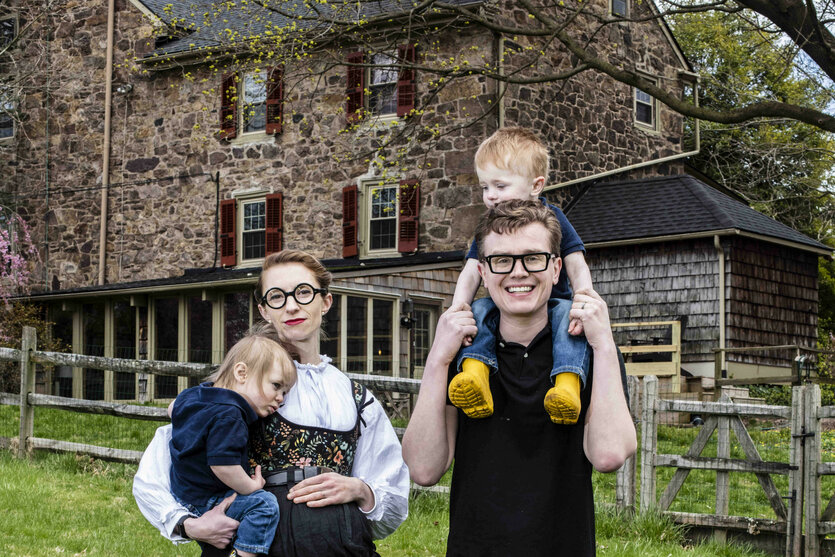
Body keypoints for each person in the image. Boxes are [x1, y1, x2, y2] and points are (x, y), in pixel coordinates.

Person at [134, 249, 410, 557]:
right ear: (264, 310)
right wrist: (187, 524)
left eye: (304, 293)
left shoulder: (358, 399)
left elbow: (392, 493)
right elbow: (157, 470)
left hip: (341, 546)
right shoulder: (234, 391)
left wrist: (360, 490)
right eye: (277, 297)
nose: (292, 305)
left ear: (326, 301)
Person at [402, 199, 636, 556]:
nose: (518, 272)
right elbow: (422, 469)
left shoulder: (589, 351)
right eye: (502, 260)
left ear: (556, 268)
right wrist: (437, 358)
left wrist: (604, 345)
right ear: (482, 271)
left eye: (533, 258)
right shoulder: (459, 353)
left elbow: (608, 455)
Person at [449, 127, 594, 424]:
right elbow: (470, 272)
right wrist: (458, 307)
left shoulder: (552, 218)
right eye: (484, 188)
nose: (490, 196)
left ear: (535, 185)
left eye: (500, 186)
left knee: (571, 327)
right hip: (505, 304)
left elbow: (575, 262)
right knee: (479, 310)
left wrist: (584, 297)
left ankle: (567, 386)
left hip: (555, 302)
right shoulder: (491, 226)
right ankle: (475, 374)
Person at [167, 334, 296, 557]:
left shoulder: (194, 396)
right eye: (276, 386)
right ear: (241, 373)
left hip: (182, 491)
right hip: (206, 498)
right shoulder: (231, 415)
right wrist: (250, 486)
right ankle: (244, 553)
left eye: (284, 392)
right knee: (263, 504)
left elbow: (171, 408)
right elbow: (224, 466)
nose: (281, 398)